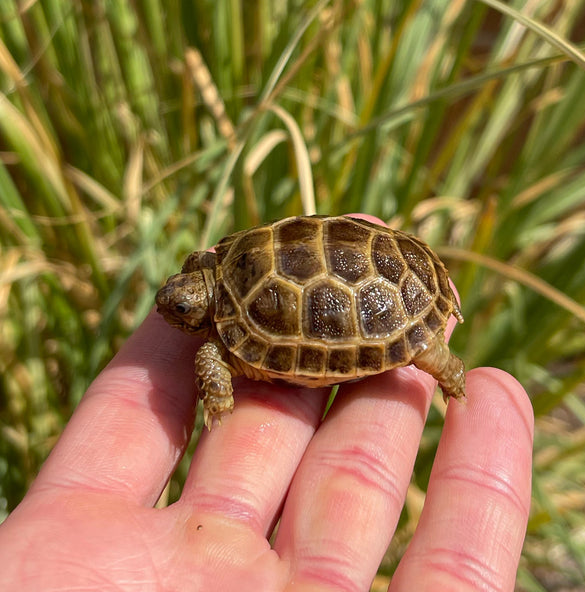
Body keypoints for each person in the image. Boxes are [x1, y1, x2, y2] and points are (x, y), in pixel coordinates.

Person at [0, 217, 533, 592]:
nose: (170, 306)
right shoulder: (223, 262)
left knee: (423, 351)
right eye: (175, 298)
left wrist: (219, 391)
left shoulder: (215, 340)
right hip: (380, 257)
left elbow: (215, 357)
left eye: (180, 304)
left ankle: (451, 371)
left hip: (382, 294)